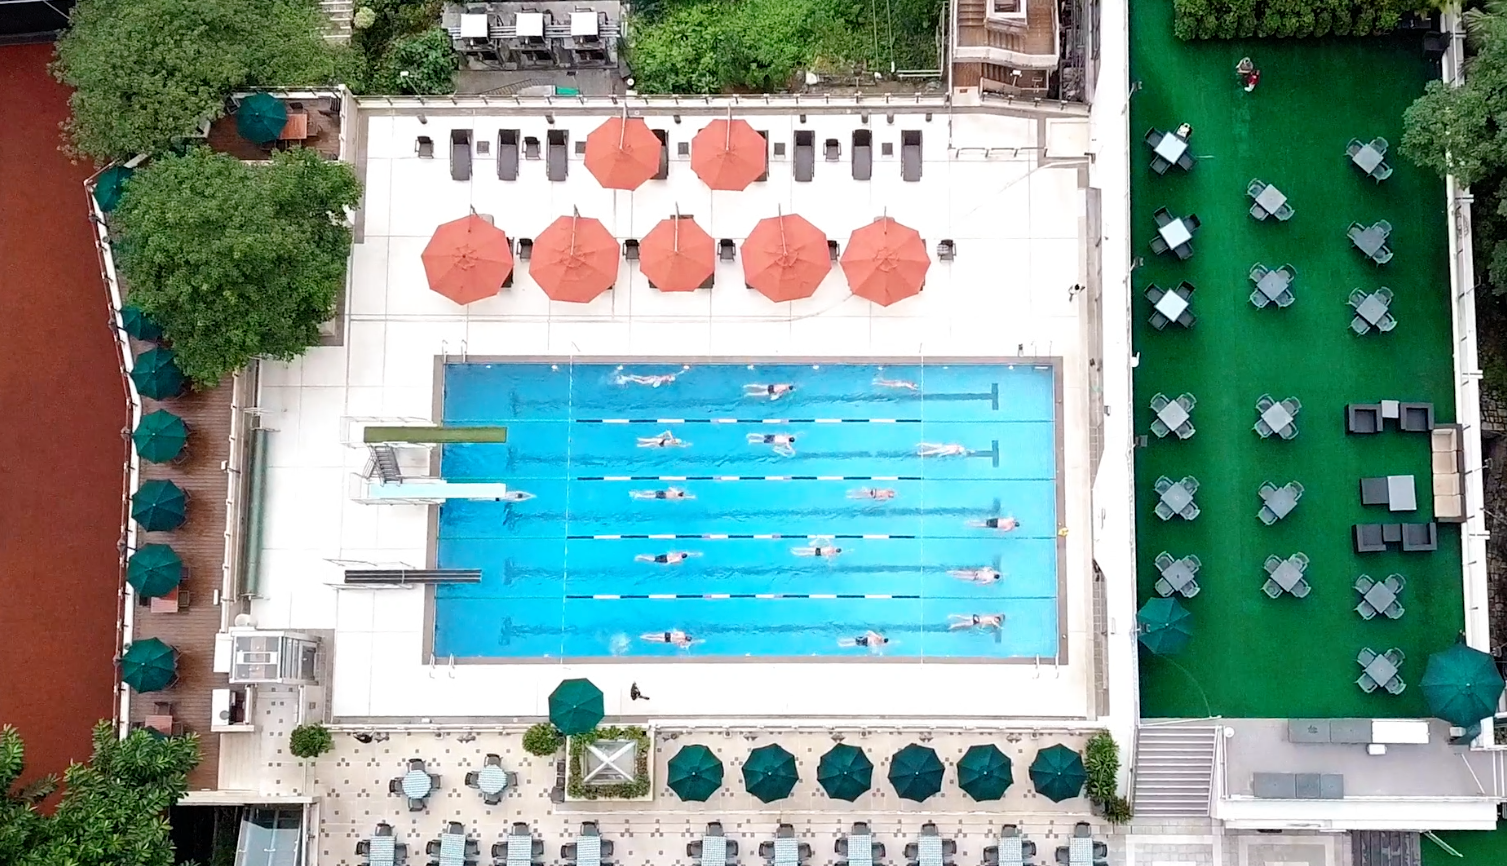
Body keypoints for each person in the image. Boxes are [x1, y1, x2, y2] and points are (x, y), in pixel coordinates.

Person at [635, 551, 701, 565]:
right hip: (665, 560)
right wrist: (666, 565)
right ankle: (641, 557)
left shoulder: (679, 553)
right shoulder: (679, 559)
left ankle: (642, 557)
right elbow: (671, 562)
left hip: (665, 555)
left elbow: (688, 553)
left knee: (654, 557)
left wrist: (696, 554)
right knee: (653, 560)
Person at [630, 487, 694, 501]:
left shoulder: (676, 493)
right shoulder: (678, 496)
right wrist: (691, 497)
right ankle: (638, 495)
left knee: (651, 493)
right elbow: (685, 497)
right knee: (652, 496)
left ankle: (639, 493)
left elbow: (670, 487)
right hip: (663, 495)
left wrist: (675, 490)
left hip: (663, 493)